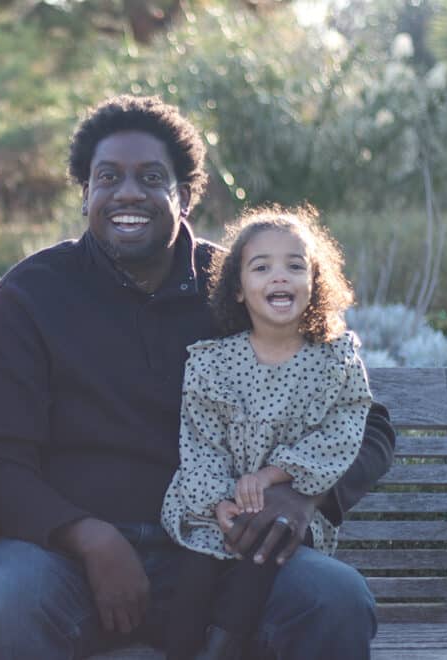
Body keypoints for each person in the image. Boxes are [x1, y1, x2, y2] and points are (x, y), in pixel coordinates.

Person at [0, 94, 396, 660]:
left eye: (151, 177)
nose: (128, 193)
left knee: (334, 597)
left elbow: (367, 422)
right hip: (63, 558)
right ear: (85, 193)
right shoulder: (33, 293)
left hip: (225, 552)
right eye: (108, 177)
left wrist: (303, 496)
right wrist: (89, 538)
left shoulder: (239, 285)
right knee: (5, 603)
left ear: (184, 195)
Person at [160, 206, 374, 660]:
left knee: (262, 555)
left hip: (288, 513)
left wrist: (274, 477)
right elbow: (200, 440)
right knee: (194, 582)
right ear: (238, 289)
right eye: (262, 267)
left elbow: (346, 427)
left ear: (315, 281)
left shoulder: (334, 361)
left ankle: (224, 646)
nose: (280, 276)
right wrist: (219, 501)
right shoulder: (213, 363)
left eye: (295, 266)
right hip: (215, 509)